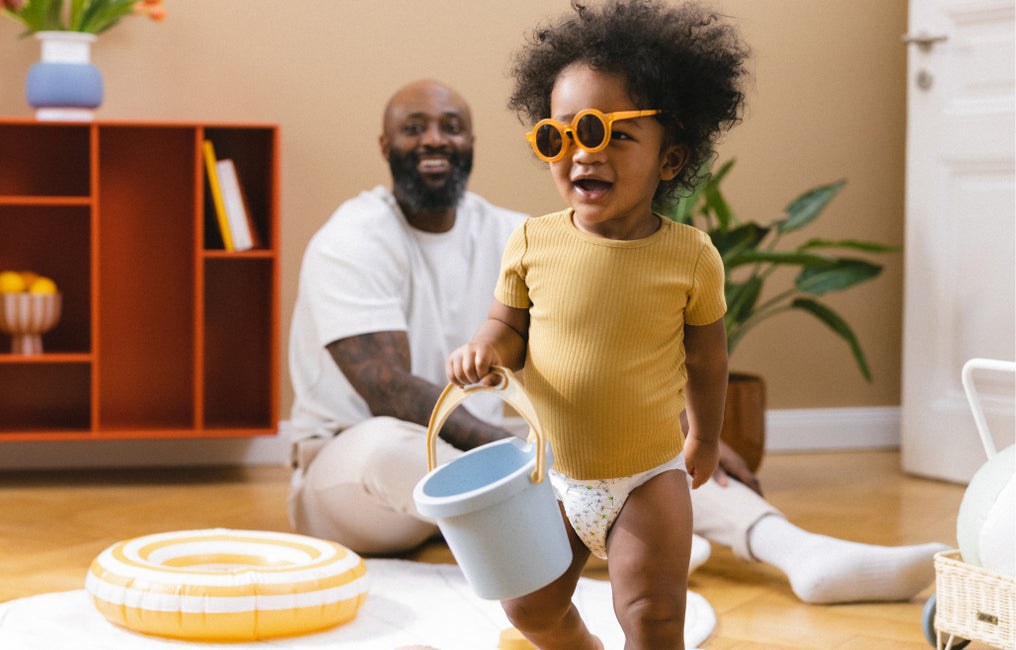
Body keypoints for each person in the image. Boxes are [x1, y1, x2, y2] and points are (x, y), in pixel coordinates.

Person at [284, 73, 945, 614]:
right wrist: (522, 453)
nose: (434, 139)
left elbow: (614, 349)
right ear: (385, 145)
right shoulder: (356, 235)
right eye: (414, 127)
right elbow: (387, 387)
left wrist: (687, 424)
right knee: (389, 444)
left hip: (506, 482)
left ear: (474, 143)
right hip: (357, 481)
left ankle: (798, 552)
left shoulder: (517, 231)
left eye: (451, 126)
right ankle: (623, 542)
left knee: (645, 445)